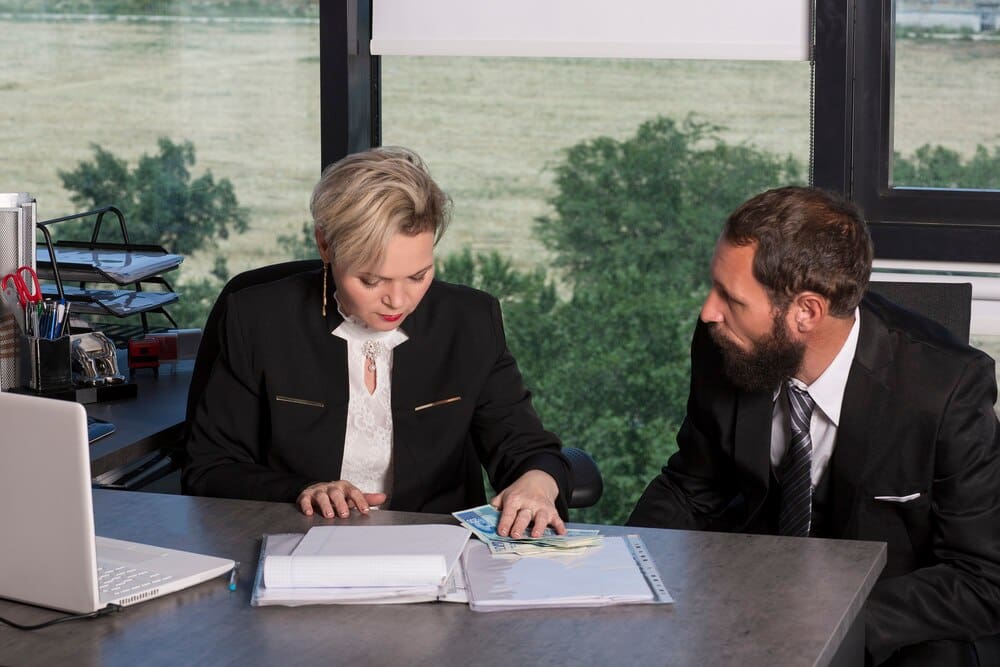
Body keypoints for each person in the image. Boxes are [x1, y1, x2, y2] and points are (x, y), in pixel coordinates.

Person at [628, 186, 1000, 666]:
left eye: (732, 298)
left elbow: (981, 575)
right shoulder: (726, 342)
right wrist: (623, 570)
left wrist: (831, 621)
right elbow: (693, 485)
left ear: (806, 312)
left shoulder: (949, 388)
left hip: (890, 629)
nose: (708, 312)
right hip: (748, 604)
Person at [184, 146, 570, 539]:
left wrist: (538, 481)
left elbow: (525, 447)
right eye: (371, 281)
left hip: (435, 556)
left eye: (418, 276)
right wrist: (301, 490)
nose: (398, 301)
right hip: (297, 548)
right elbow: (211, 468)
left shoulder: (470, 321)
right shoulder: (258, 319)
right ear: (325, 246)